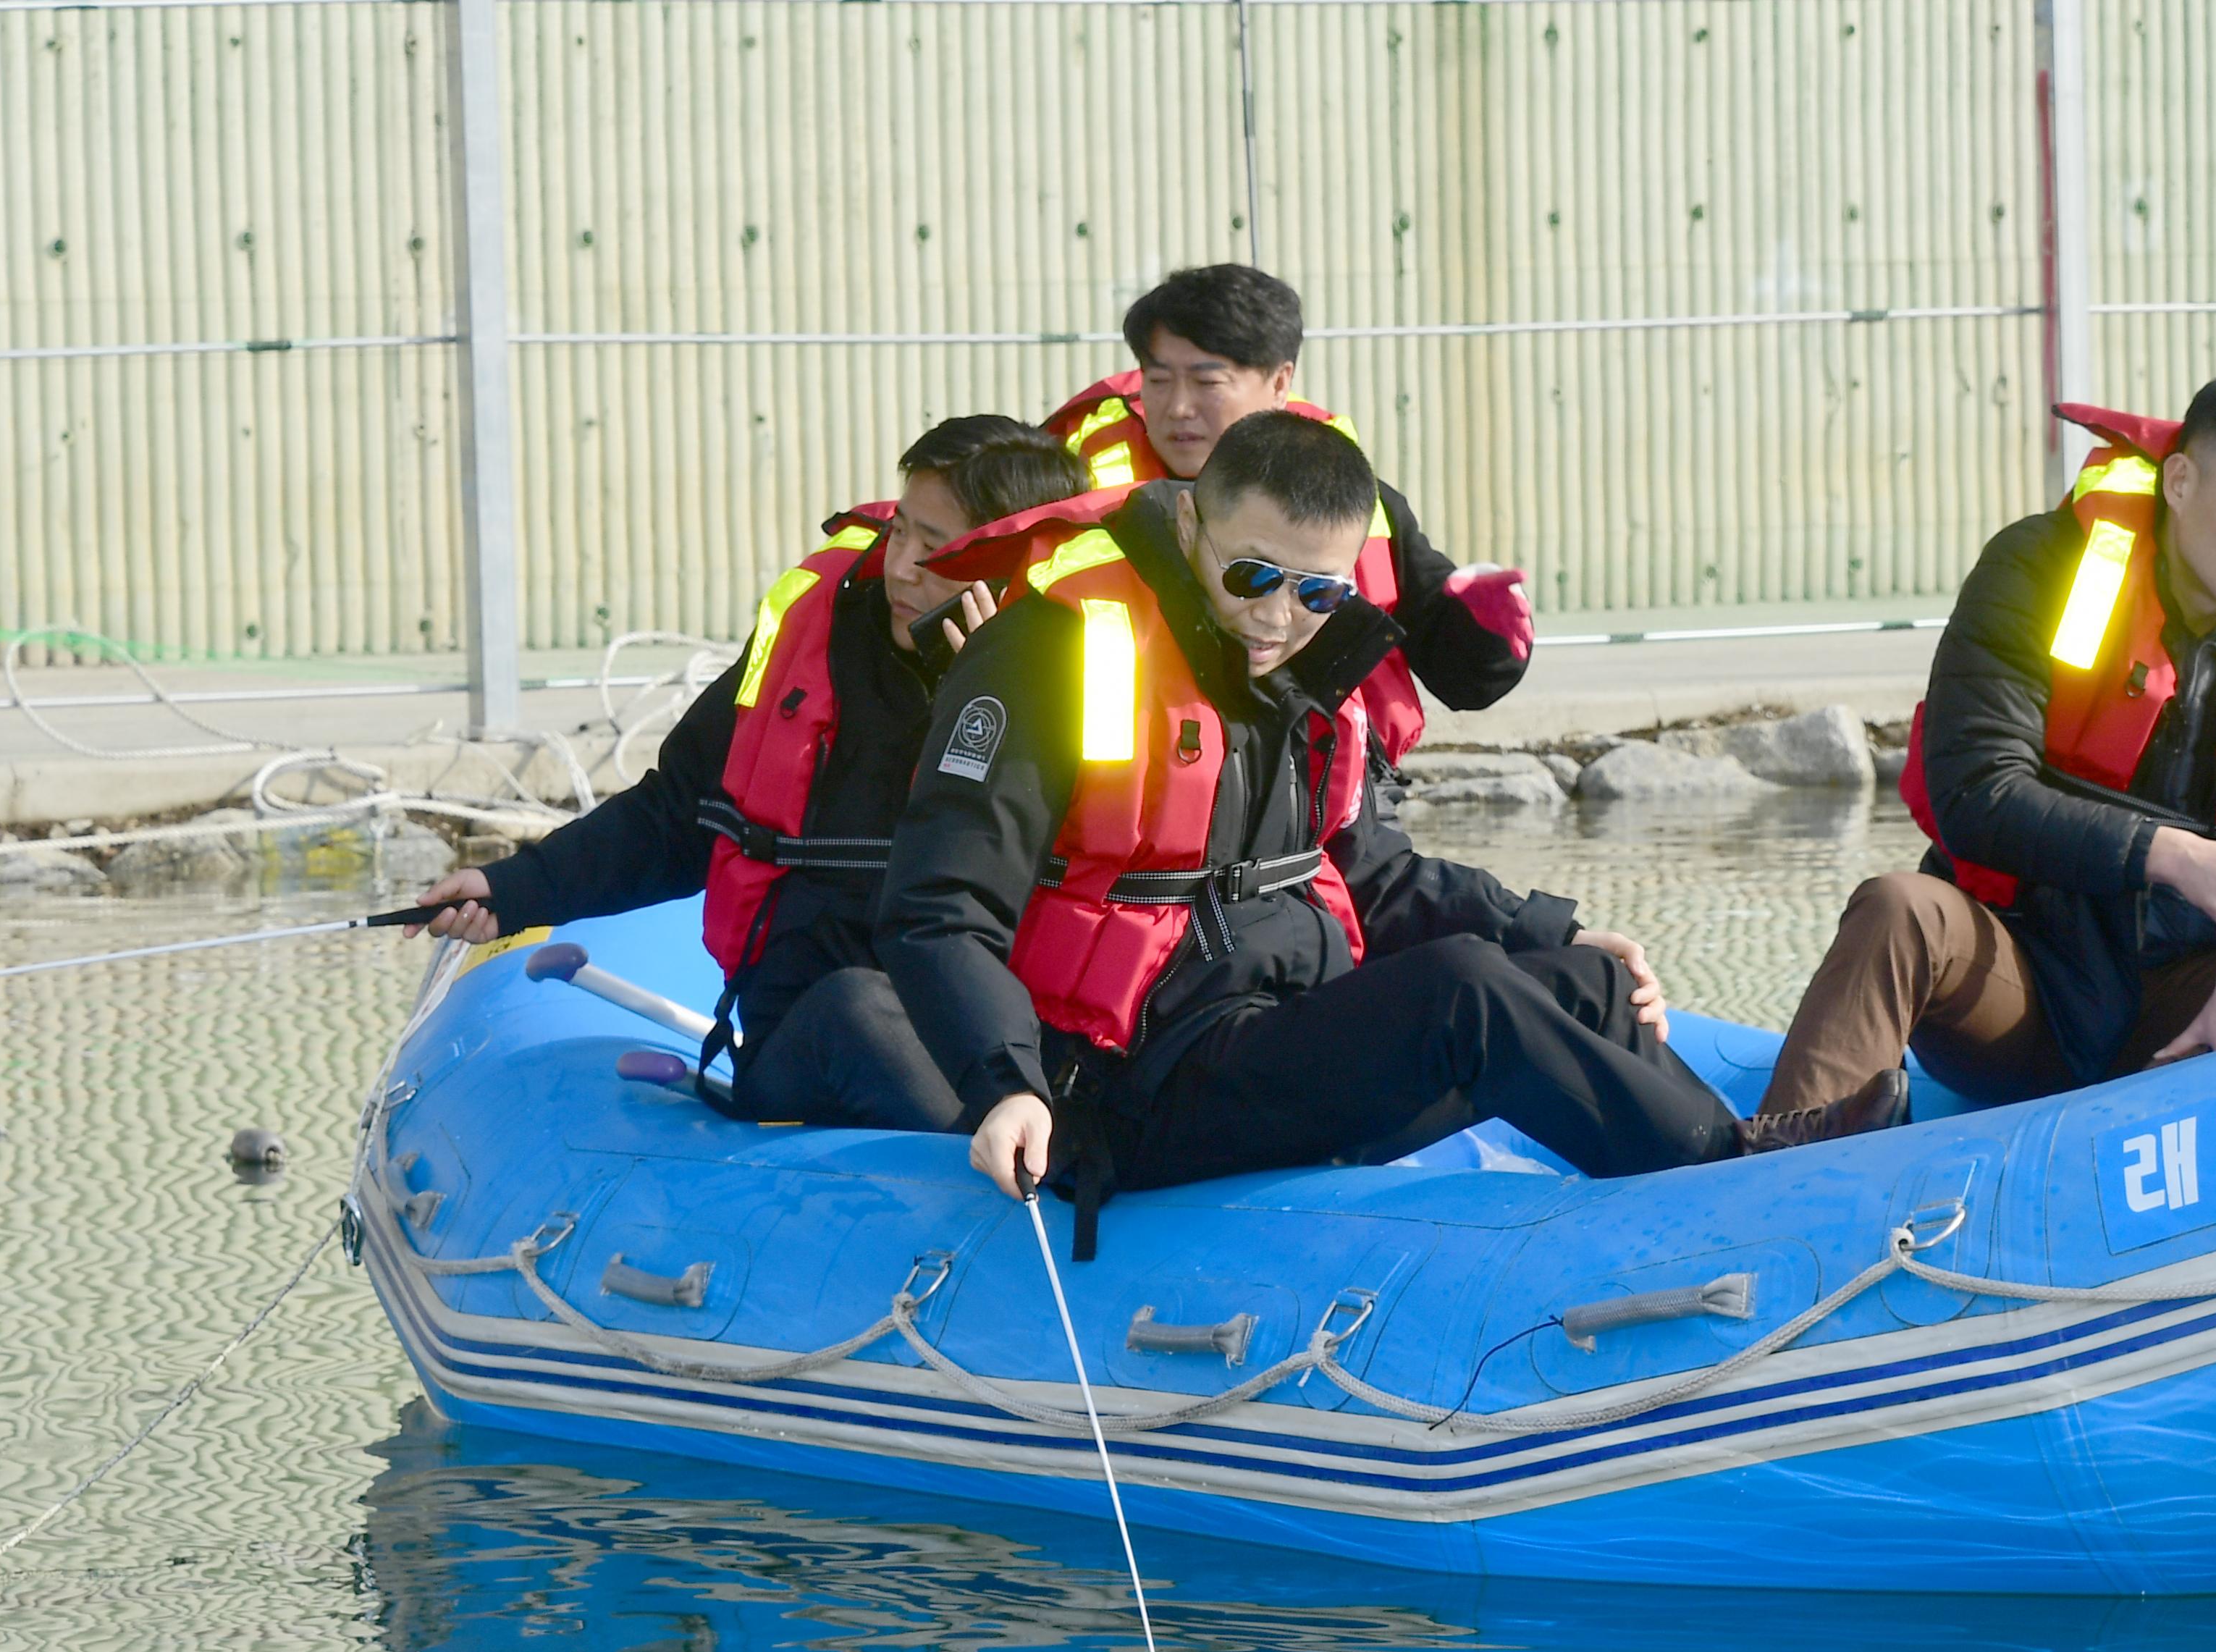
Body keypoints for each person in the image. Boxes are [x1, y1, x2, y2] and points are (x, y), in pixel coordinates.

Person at [877, 410, 1903, 1257]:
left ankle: (1727, 1172)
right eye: (1253, 578)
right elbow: (939, 907)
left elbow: (1363, 867)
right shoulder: (1052, 651)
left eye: (1318, 591)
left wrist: (1549, 928)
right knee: (1461, 991)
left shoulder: (1305, 666)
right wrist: (1004, 1083)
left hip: (1276, 1024)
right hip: (1127, 1086)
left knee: (1581, 982)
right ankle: (1740, 1196)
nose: (1281, 617)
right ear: (1189, 522)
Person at [1761, 373, 2216, 1116]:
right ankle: (1780, 1172)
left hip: (2196, 1009)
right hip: (2020, 998)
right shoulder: (2036, 568)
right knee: (1900, 908)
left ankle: (2190, 1110)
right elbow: (1974, 790)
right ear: (2180, 481)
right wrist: (2171, 852)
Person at [406, 416, 1093, 1127]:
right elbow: (678, 811)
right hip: (819, 1025)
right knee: (858, 1010)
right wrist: (513, 888)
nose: (900, 566)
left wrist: (987, 693)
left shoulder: (1078, 677)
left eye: (937, 546)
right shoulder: (824, 633)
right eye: (901, 532)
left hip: (998, 1031)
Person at [1044, 263, 1535, 761]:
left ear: (1280, 383)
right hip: (1153, 788)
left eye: (1207, 383)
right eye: (1158, 380)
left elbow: (1465, 677)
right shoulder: (1073, 496)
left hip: (1334, 794)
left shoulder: (1347, 499)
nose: (1178, 408)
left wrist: (1488, 625)